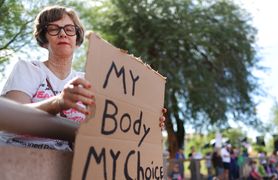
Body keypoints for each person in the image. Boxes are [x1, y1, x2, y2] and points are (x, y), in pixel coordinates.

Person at [0, 5, 166, 150]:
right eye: (53, 28)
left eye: (69, 29)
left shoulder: (89, 80)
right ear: (44, 38)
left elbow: (116, 123)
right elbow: (12, 117)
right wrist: (58, 102)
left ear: (77, 38)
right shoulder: (28, 69)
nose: (63, 34)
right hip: (19, 160)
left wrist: (148, 121)